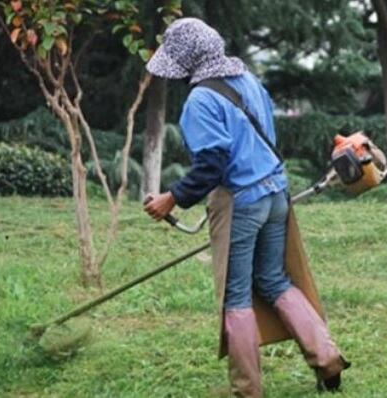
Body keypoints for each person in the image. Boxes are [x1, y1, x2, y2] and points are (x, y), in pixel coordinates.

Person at [143, 18, 349, 397]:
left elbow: (212, 166)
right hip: (276, 195)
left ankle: (247, 391)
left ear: (187, 60)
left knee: (236, 298)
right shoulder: (249, 81)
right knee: (273, 280)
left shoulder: (201, 100)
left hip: (243, 202)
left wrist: (170, 198)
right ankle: (328, 357)